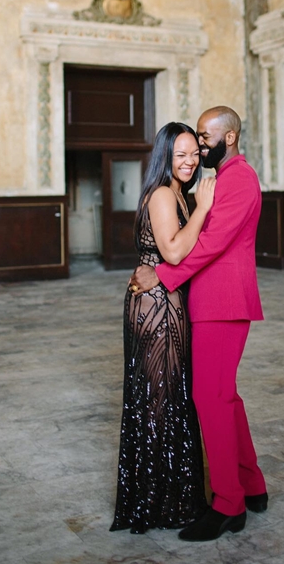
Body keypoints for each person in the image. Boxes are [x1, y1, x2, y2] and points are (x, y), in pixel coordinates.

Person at [130, 106, 268, 542]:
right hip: (212, 302)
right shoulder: (221, 179)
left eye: (205, 138)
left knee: (211, 399)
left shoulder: (238, 179)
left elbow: (211, 243)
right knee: (225, 397)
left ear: (229, 137)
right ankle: (252, 485)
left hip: (221, 303)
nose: (201, 147)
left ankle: (228, 504)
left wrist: (162, 274)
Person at [109, 122, 216, 535]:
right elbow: (172, 251)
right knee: (159, 402)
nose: (190, 162)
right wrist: (203, 208)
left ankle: (169, 499)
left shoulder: (177, 193)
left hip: (166, 300)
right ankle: (158, 505)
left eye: (194, 154)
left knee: (171, 399)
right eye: (180, 155)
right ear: (165, 157)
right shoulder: (162, 195)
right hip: (155, 308)